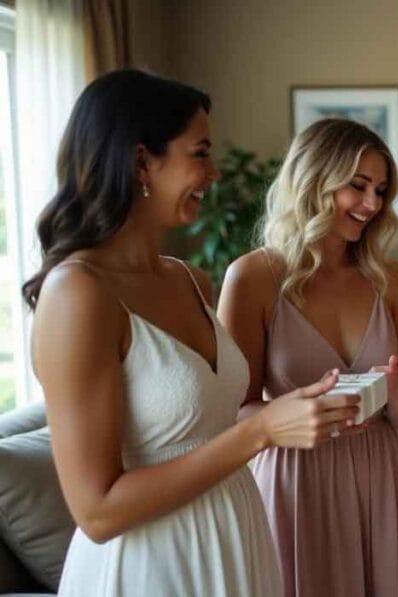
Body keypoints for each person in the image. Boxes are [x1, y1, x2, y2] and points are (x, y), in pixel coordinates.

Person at [26, 69, 359, 596]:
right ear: (141, 162)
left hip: (233, 539)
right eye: (200, 153)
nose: (215, 172)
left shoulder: (188, 279)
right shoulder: (77, 295)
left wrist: (294, 408)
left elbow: (208, 418)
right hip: (151, 565)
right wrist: (261, 431)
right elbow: (97, 511)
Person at [218, 118, 398, 596]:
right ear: (314, 179)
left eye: (380, 190)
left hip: (379, 473)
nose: (373, 204)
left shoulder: (388, 278)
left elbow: (397, 417)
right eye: (357, 186)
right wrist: (303, 414)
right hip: (294, 477)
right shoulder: (251, 278)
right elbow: (235, 412)